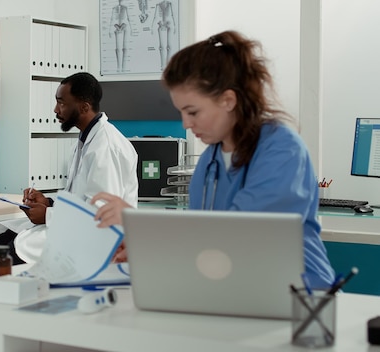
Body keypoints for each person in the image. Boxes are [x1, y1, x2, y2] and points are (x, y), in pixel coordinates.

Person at [92, 30, 335, 289]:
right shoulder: (211, 159)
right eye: (182, 113)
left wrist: (140, 227)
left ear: (228, 100)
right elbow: (205, 242)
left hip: (299, 295)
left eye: (193, 111)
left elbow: (239, 236)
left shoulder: (282, 150)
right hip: (235, 291)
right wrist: (147, 251)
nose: (186, 123)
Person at [0, 72, 138, 264]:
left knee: (11, 254)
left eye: (61, 103)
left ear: (84, 106)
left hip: (99, 238)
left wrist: (48, 216)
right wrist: (48, 203)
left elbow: (103, 215)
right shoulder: (86, 139)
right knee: (3, 236)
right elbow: (80, 199)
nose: (55, 109)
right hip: (78, 229)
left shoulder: (105, 147)